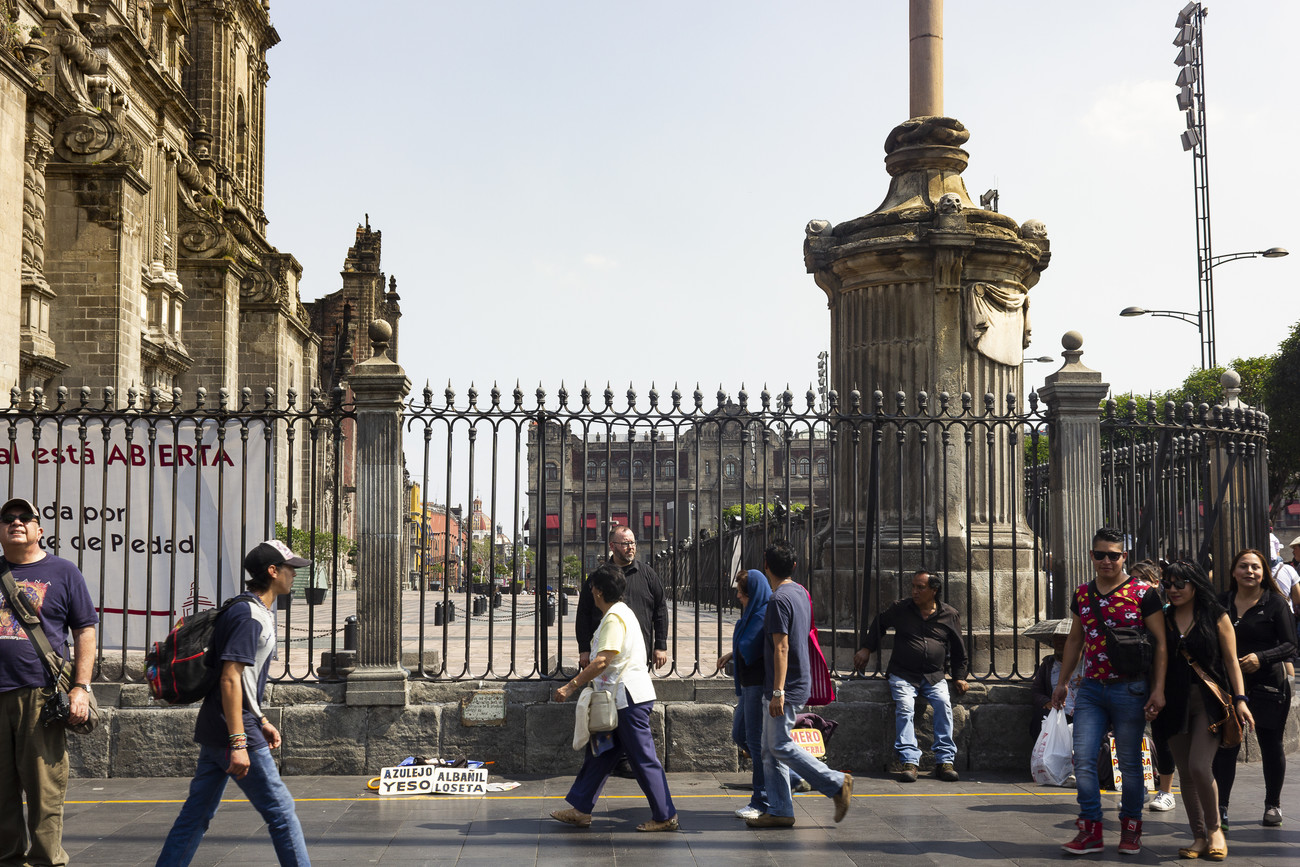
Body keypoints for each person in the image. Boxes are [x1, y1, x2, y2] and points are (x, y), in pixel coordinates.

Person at [156, 540, 312, 866]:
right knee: (281, 812)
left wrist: (263, 719)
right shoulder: (249, 616)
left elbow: (244, 680)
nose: (294, 574)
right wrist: (239, 740)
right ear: (273, 572)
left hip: (220, 724)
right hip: (233, 729)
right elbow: (229, 677)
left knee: (196, 814)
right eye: (290, 568)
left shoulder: (248, 608)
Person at [1052, 528, 1167, 857]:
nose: (1106, 561)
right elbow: (1075, 639)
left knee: (1130, 764)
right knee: (1084, 759)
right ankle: (1090, 828)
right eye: (1100, 554)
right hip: (1091, 688)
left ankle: (1131, 828)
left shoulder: (1143, 593)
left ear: (1123, 557)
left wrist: (1157, 689)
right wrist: (1063, 682)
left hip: (1130, 688)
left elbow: (1160, 645)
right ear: (1091, 556)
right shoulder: (1083, 594)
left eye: (1113, 555)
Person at [0, 496, 98, 867]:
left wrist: (80, 687)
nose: (16, 522)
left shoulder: (64, 572)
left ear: (40, 529)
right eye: (8, 518)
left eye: (25, 517)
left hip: (39, 697)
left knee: (44, 792)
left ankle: (46, 861)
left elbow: (84, 631)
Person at [550, 564, 677, 832]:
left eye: (592, 587)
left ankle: (665, 815)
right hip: (618, 700)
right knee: (601, 754)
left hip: (627, 700)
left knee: (643, 759)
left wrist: (570, 686)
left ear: (596, 591)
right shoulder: (622, 613)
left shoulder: (613, 619)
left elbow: (602, 661)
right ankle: (580, 808)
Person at [745, 541, 852, 829]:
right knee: (769, 749)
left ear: (765, 565)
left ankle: (836, 782)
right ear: (794, 565)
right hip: (795, 679)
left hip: (785, 684)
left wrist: (777, 692)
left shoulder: (778, 600)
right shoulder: (800, 592)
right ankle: (780, 809)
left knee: (779, 744)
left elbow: (781, 647)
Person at [1154, 560, 1254, 860]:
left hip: (1208, 702)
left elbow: (1232, 661)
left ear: (1195, 584)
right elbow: (1159, 657)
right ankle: (1198, 836)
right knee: (1185, 772)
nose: (1172, 590)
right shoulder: (1165, 617)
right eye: (1167, 584)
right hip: (1173, 702)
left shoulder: (1215, 615)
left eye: (1179, 584)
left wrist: (1240, 698)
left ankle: (1214, 830)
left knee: (1199, 766)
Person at [854, 569, 969, 782]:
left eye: (920, 587)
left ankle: (945, 761)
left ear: (934, 590)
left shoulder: (949, 614)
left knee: (944, 704)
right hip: (903, 674)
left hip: (934, 676)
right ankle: (909, 760)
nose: (915, 591)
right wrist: (866, 649)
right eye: (913, 586)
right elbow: (880, 623)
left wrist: (959, 675)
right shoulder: (901, 609)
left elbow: (959, 648)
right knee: (905, 706)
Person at [574, 524, 669, 778]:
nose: (631, 547)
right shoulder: (598, 577)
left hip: (635, 657)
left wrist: (660, 645)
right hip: (606, 660)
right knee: (605, 707)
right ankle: (609, 757)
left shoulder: (647, 574)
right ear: (612, 546)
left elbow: (660, 609)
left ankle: (624, 760)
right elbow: (583, 614)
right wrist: (584, 649)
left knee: (629, 708)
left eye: (633, 542)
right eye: (625, 543)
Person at [1212, 548, 1295, 831]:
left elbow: (1290, 645)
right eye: (1244, 566)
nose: (1250, 572)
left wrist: (1262, 658)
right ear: (1234, 571)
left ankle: (1273, 804)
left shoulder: (1276, 603)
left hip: (1269, 686)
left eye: (1256, 568)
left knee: (1271, 745)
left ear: (1264, 573)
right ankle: (1220, 807)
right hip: (1228, 686)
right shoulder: (1221, 602)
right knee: (1227, 745)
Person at [717, 568, 772, 819]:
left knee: (757, 742)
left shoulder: (762, 616)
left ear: (755, 594)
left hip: (757, 686)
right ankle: (788, 777)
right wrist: (731, 654)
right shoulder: (751, 616)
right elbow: (743, 648)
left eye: (742, 593)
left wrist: (737, 649)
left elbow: (750, 650)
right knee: (740, 734)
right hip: (747, 686)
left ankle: (761, 799)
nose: (738, 597)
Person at [1128, 558, 1176, 814]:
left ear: (1157, 583)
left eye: (1143, 578)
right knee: (1132, 734)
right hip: (1136, 679)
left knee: (1162, 735)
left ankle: (1167, 791)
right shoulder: (1129, 610)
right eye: (1133, 578)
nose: (1138, 584)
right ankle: (1140, 785)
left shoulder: (1168, 612)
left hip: (1163, 680)